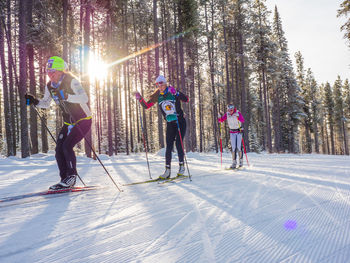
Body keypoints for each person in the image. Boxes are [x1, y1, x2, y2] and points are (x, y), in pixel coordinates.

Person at [25, 56, 92, 190]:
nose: (50, 74)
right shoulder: (49, 86)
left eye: (53, 71)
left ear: (61, 71)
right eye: (48, 72)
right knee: (58, 150)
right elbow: (45, 103)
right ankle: (64, 179)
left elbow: (85, 98)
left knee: (67, 146)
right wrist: (34, 101)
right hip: (69, 122)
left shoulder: (72, 81)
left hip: (83, 119)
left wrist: (67, 96)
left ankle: (71, 177)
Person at [135, 75, 189, 179]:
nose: (160, 86)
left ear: (165, 83)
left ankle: (181, 167)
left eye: (161, 83)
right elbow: (146, 106)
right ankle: (167, 171)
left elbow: (186, 99)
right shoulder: (157, 95)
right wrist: (140, 98)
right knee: (168, 146)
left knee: (178, 144)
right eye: (157, 84)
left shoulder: (172, 91)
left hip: (179, 121)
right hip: (170, 123)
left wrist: (177, 93)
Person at [218, 104, 245, 169]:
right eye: (229, 110)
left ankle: (241, 161)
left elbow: (242, 120)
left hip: (238, 131)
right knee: (233, 147)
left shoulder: (237, 113)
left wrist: (239, 117)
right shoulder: (227, 114)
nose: (230, 111)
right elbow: (221, 120)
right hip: (232, 132)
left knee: (238, 146)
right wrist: (219, 117)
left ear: (233, 109)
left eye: (231, 110)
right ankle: (234, 162)